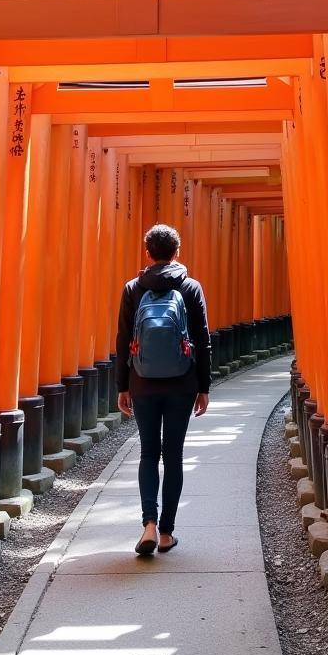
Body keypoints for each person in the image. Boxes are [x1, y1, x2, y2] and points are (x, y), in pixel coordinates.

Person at [116, 223, 211, 557]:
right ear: (177, 251)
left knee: (147, 453)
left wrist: (122, 386)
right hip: (182, 382)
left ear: (147, 252)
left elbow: (123, 339)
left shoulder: (133, 289)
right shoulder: (191, 288)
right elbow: (202, 339)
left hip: (142, 382)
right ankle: (168, 532)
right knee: (173, 456)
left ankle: (149, 524)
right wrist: (203, 387)